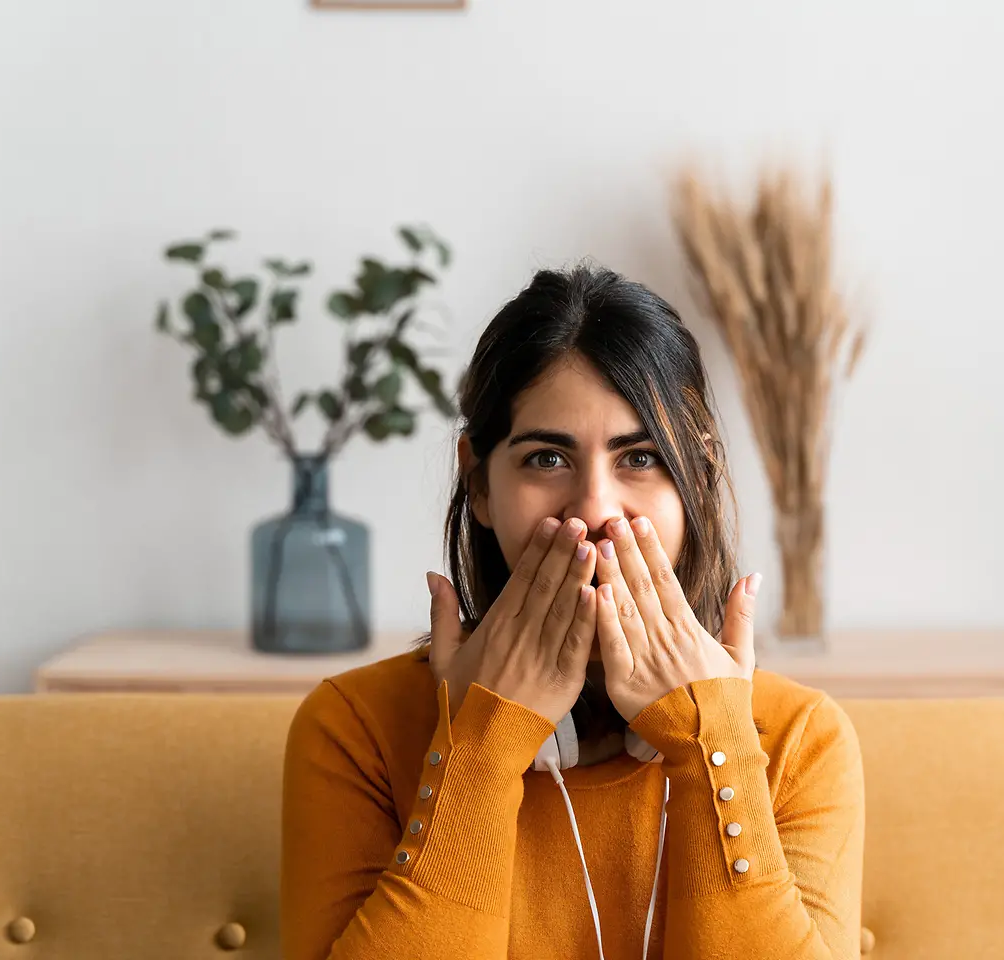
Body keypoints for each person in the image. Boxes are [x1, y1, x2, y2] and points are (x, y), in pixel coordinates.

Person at [280, 265, 865, 960]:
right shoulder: (357, 728)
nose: (593, 510)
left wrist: (715, 747)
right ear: (480, 485)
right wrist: (481, 751)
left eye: (641, 458)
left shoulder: (800, 740)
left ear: (699, 483)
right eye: (547, 457)